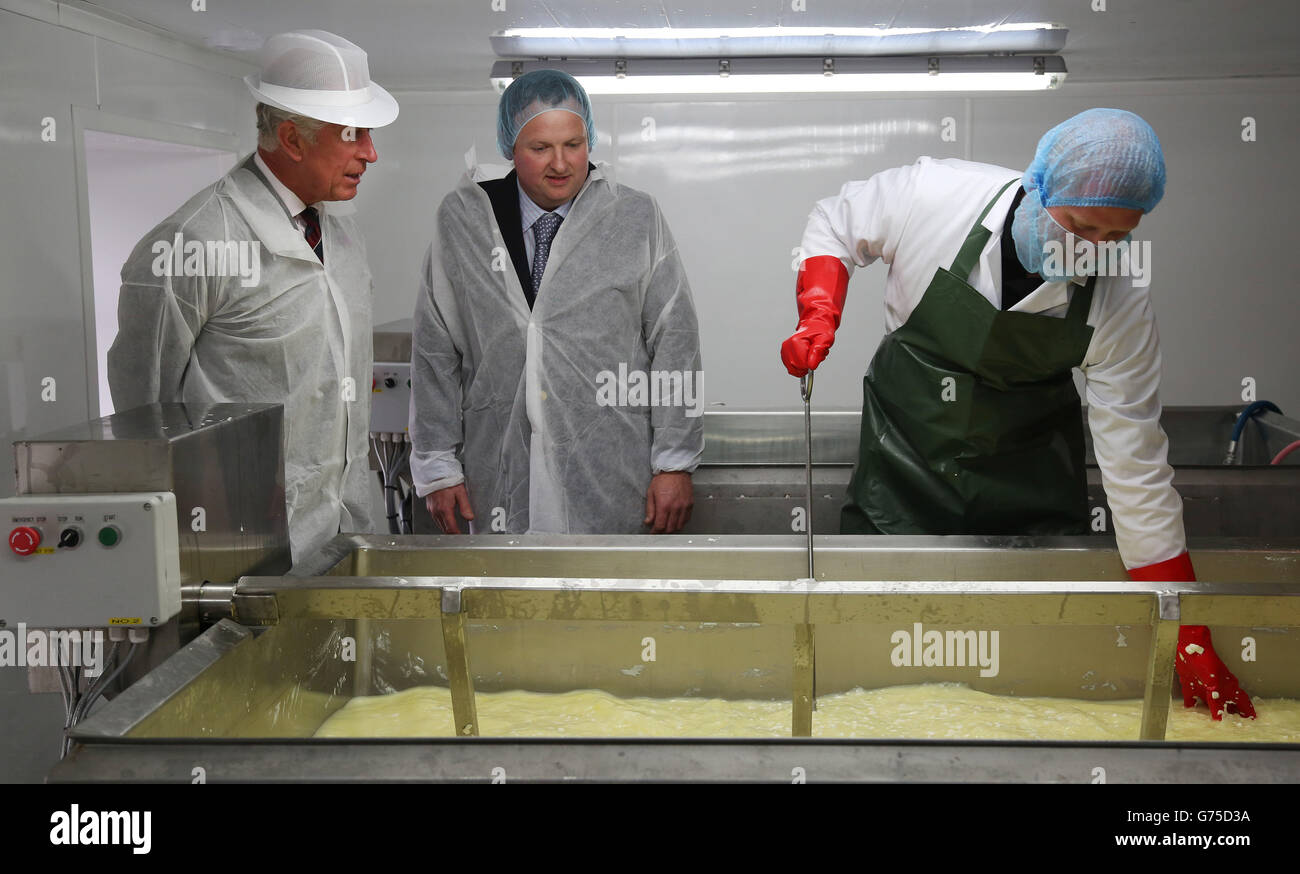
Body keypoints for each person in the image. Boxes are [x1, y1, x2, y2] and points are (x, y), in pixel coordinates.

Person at [780, 108, 1252, 721]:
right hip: (902, 474)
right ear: (1037, 187)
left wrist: (1185, 626)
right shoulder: (938, 198)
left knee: (1029, 681)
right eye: (1081, 228)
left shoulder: (1121, 305)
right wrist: (819, 310)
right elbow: (836, 223)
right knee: (876, 672)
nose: (1094, 254)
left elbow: (1135, 469)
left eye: (1116, 239)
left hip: (1029, 496)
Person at [108, 30, 398, 564]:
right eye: (353, 134)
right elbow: (144, 416)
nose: (371, 153)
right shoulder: (193, 242)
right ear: (292, 139)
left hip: (345, 529)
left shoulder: (341, 231)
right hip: (237, 540)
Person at [410, 70, 703, 536]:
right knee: (507, 605)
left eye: (574, 144)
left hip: (611, 474)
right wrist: (437, 466)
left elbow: (675, 339)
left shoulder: (634, 217)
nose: (562, 164)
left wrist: (675, 462)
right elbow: (435, 350)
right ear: (510, 148)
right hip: (496, 477)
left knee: (605, 604)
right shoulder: (464, 220)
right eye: (540, 148)